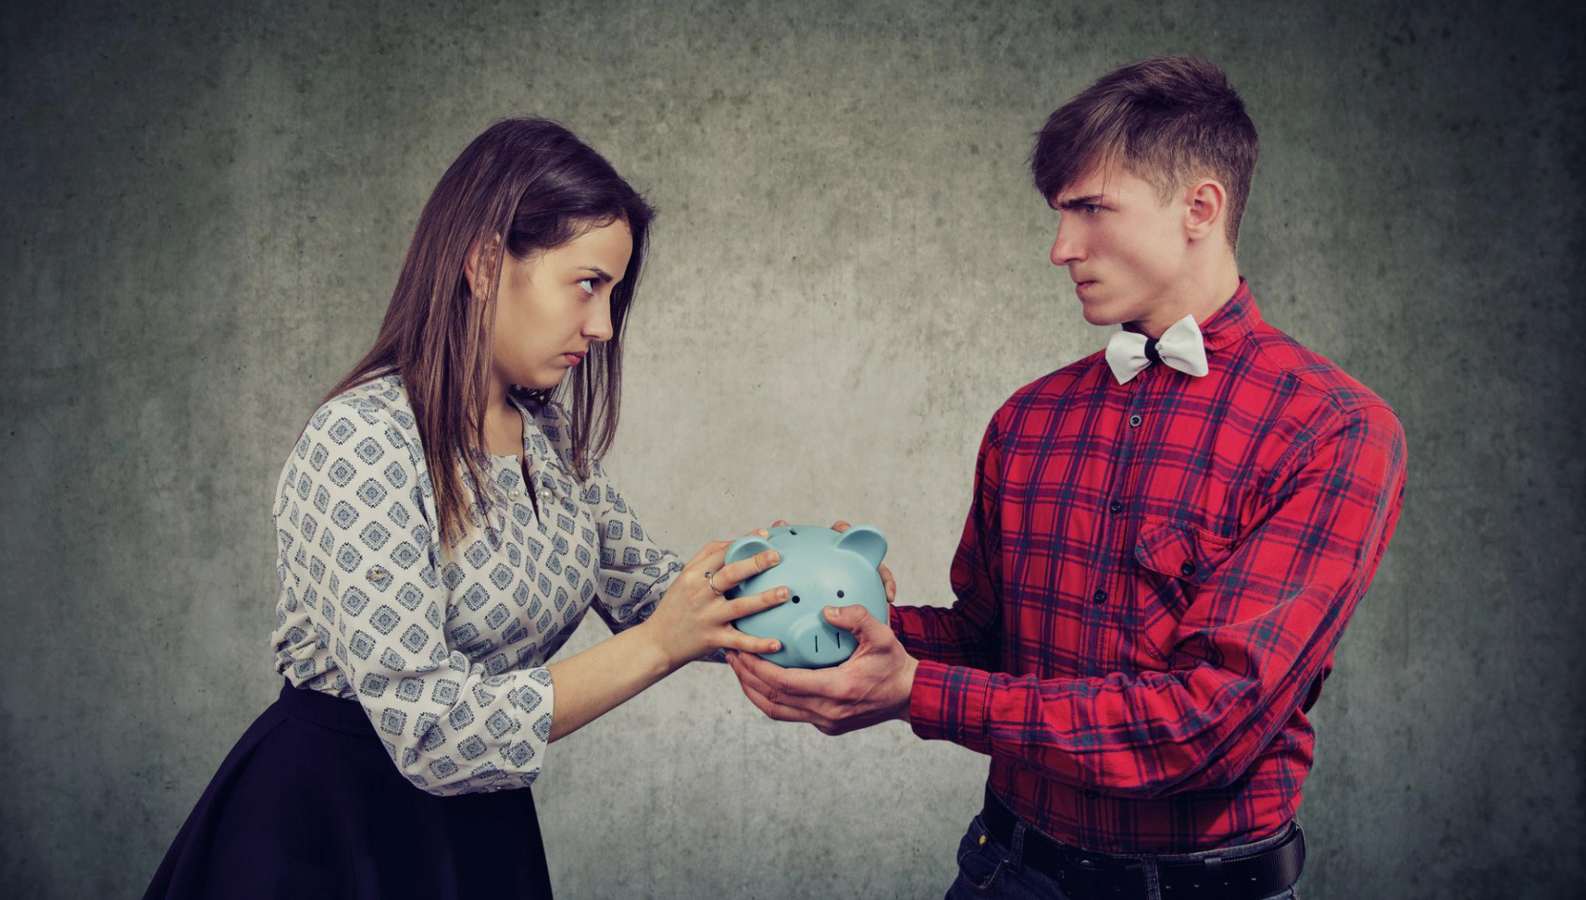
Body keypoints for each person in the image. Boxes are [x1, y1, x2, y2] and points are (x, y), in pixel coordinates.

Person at [727, 57, 1408, 900]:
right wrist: (834, 615)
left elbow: (1206, 722)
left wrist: (913, 692)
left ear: (1200, 208)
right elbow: (990, 644)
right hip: (1004, 871)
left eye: (1091, 209)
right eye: (1059, 214)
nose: (1060, 249)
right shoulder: (1028, 419)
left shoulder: (1334, 429)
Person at [144, 117, 790, 900]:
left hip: (481, 834)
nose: (603, 326)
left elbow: (657, 593)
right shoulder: (362, 440)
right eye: (588, 284)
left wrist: (814, 591)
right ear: (484, 263)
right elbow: (431, 732)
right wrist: (659, 647)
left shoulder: (551, 440)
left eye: (613, 294)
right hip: (330, 839)